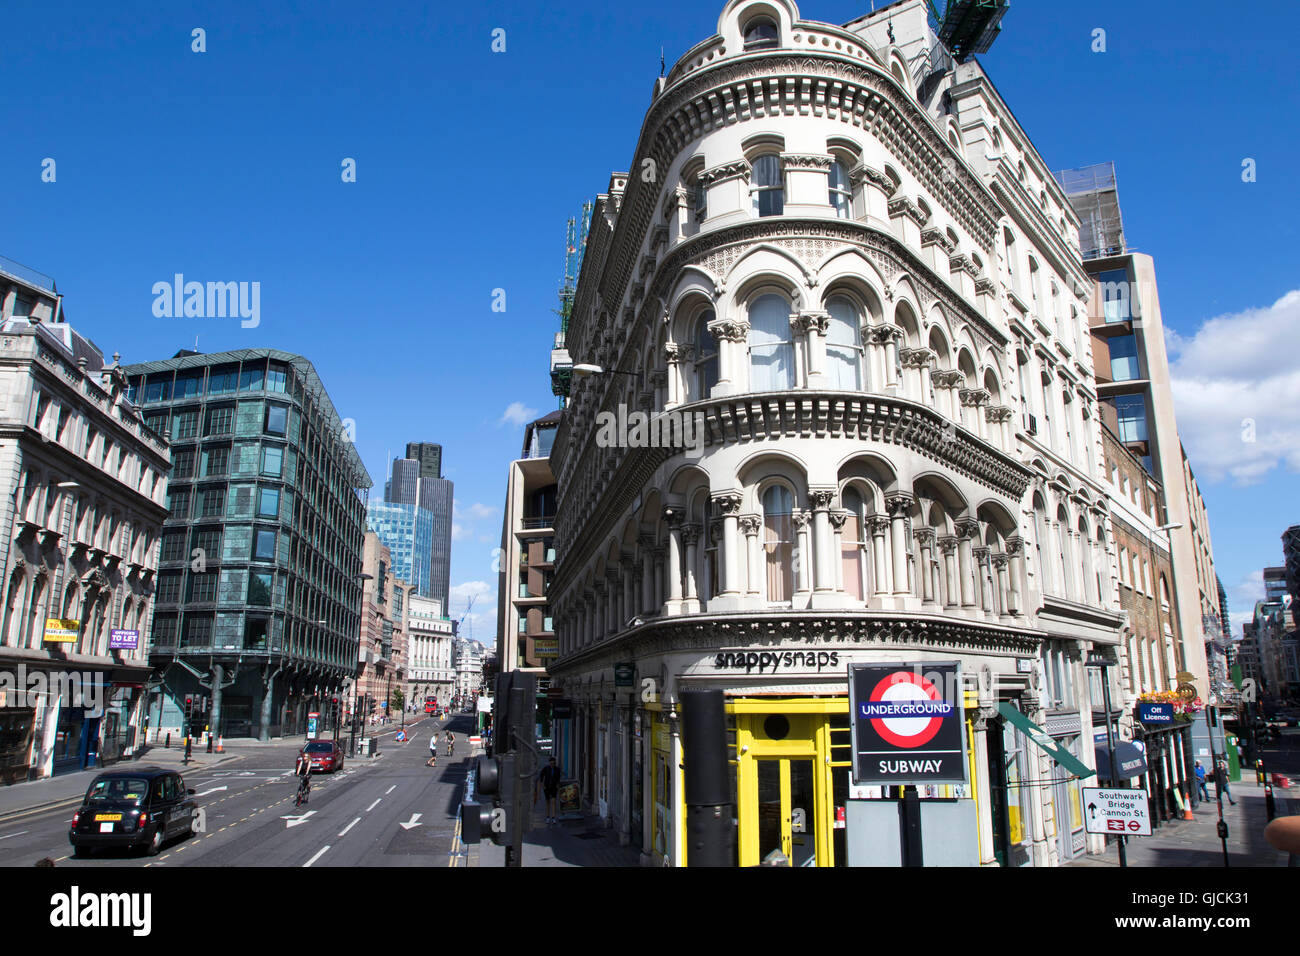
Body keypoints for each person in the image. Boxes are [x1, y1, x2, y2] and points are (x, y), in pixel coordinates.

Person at [536, 757, 562, 824]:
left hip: (554, 788)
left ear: (555, 763)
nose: (552, 764)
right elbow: (541, 776)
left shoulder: (557, 769)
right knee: (548, 802)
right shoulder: (546, 768)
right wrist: (542, 785)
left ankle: (553, 817)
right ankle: (548, 817)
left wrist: (558, 786)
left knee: (553, 802)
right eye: (551, 763)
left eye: (553, 763)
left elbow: (558, 778)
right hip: (547, 787)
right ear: (549, 763)